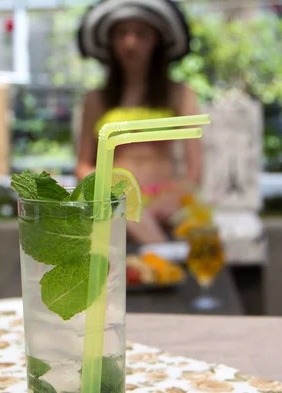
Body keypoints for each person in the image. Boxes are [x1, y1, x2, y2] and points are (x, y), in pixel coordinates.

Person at [75, 0, 202, 243]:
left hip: (165, 197)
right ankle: (163, 254)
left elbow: (195, 168)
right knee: (119, 209)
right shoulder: (96, 99)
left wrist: (175, 195)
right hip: (114, 198)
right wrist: (107, 188)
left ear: (157, 40)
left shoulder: (181, 94)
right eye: (122, 33)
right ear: (111, 41)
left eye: (141, 34)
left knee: (186, 219)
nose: (130, 43)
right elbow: (83, 165)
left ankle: (159, 257)